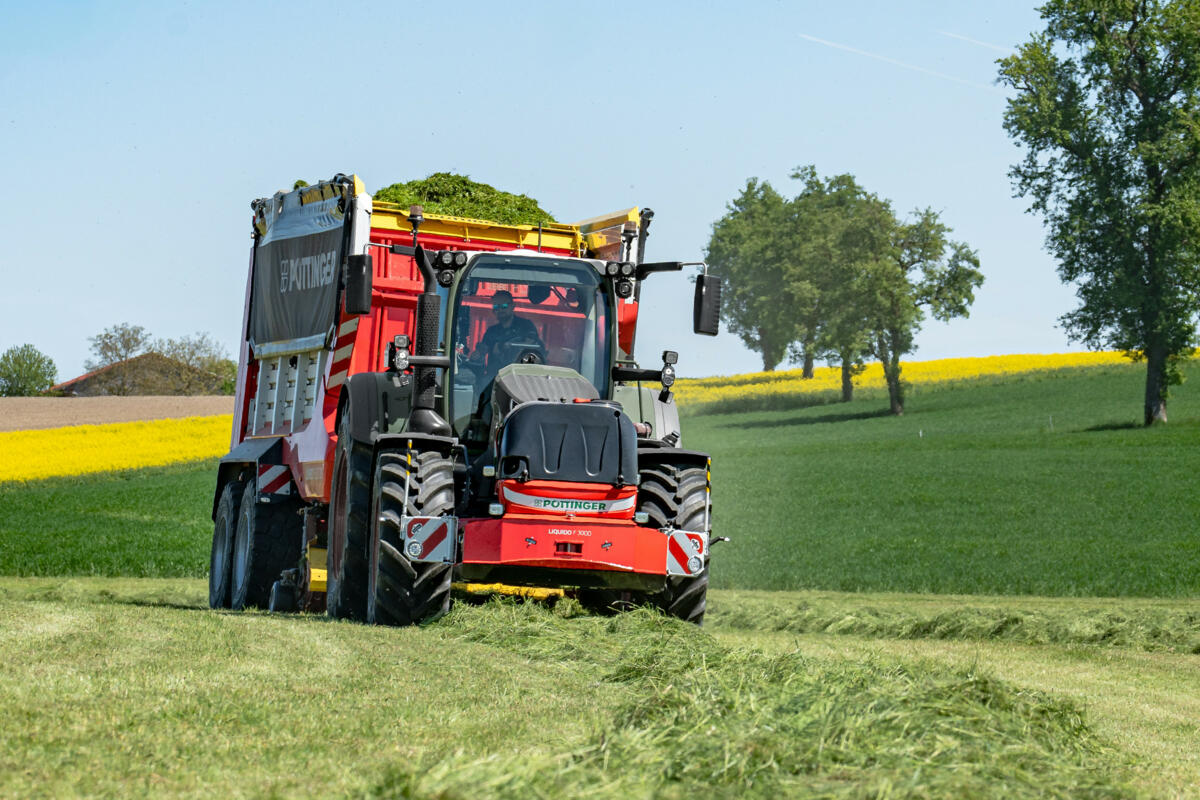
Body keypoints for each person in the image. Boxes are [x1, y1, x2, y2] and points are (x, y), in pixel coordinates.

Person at [469, 290, 543, 382]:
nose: (500, 310)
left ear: (513, 306)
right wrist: (478, 354)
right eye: (496, 307)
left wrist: (509, 345)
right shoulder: (491, 331)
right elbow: (483, 350)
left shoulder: (526, 326)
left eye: (504, 306)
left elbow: (533, 344)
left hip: (521, 377)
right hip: (495, 379)